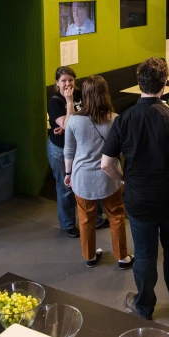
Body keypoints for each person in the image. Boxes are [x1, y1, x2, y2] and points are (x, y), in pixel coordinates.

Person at [101, 57, 169, 320]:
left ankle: (144, 305)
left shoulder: (124, 120)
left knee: (144, 254)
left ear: (138, 83)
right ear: (164, 84)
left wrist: (123, 179)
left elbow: (106, 164)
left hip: (139, 198)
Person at [63, 76, 134, 270]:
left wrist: (68, 173)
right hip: (110, 177)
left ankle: (90, 256)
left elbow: (68, 151)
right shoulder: (115, 119)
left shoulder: (74, 121)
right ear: (105, 94)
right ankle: (122, 257)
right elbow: (122, 150)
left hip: (81, 177)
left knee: (85, 219)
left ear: (84, 95)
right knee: (116, 216)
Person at [47, 66, 106, 238]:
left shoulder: (82, 93)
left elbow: (88, 115)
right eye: (63, 81)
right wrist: (70, 104)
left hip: (81, 147)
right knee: (65, 187)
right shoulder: (56, 101)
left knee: (87, 183)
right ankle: (67, 224)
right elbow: (68, 125)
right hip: (60, 149)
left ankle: (97, 219)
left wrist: (66, 125)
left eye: (70, 80)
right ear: (57, 83)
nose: (67, 84)